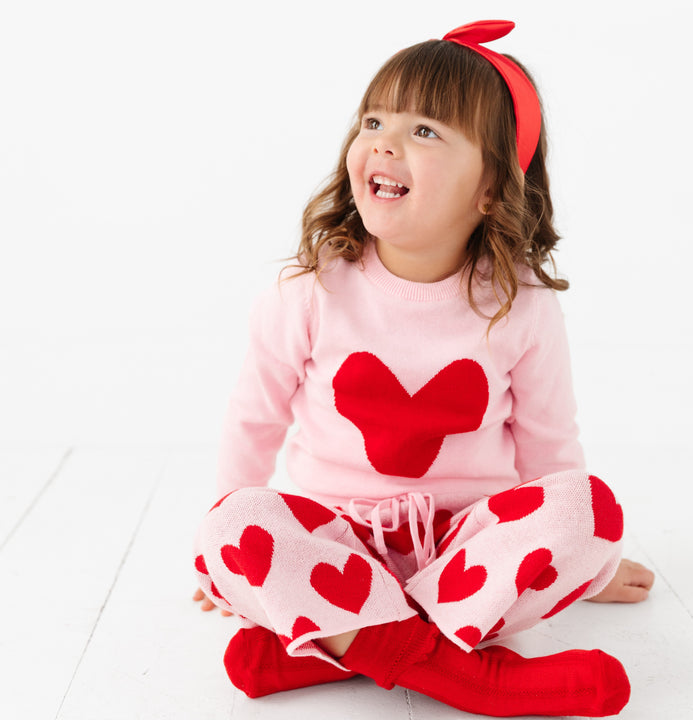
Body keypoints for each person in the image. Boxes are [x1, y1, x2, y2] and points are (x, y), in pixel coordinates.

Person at [193, 20, 655, 717]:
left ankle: (344, 644)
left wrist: (587, 566)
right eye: (374, 120)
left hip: (465, 552)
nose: (383, 140)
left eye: (426, 131)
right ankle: (464, 675)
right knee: (231, 523)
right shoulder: (311, 290)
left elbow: (549, 448)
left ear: (492, 188)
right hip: (334, 541)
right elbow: (254, 417)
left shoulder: (518, 305)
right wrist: (227, 553)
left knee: (590, 506)